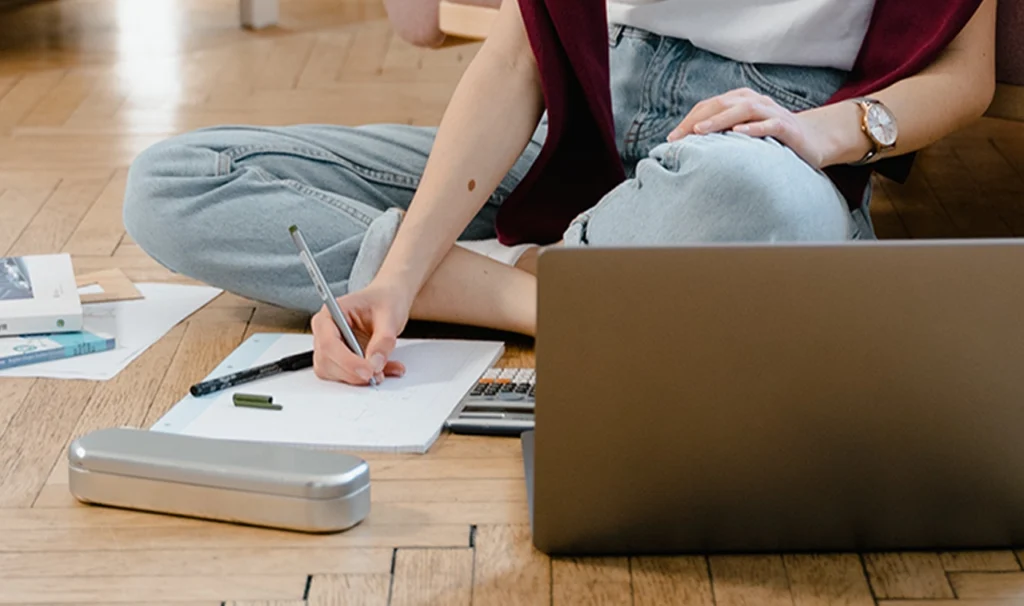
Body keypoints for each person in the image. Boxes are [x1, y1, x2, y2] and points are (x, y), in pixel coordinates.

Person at [123, 0, 997, 386]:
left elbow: (967, 76)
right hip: (582, 119)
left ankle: (498, 284)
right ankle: (520, 286)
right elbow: (514, 56)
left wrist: (827, 134)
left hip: (770, 137)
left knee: (760, 205)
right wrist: (400, 271)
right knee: (175, 183)